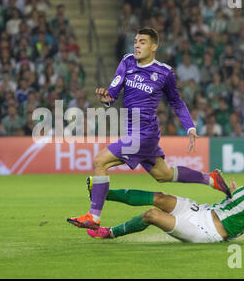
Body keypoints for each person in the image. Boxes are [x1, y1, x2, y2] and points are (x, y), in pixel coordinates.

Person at [67, 27, 230, 230]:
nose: (137, 45)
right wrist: (105, 98)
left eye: (142, 42)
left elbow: (176, 102)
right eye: (135, 41)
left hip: (144, 134)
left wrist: (190, 127)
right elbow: (113, 93)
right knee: (164, 175)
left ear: (154, 46)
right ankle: (210, 179)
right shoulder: (127, 62)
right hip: (136, 132)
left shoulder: (164, 72)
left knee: (100, 161)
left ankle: (94, 216)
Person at [87, 153, 244, 245]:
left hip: (207, 231)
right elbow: (238, 206)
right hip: (203, 211)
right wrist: (232, 192)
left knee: (152, 215)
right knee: (159, 197)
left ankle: (109, 233)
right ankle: (101, 192)